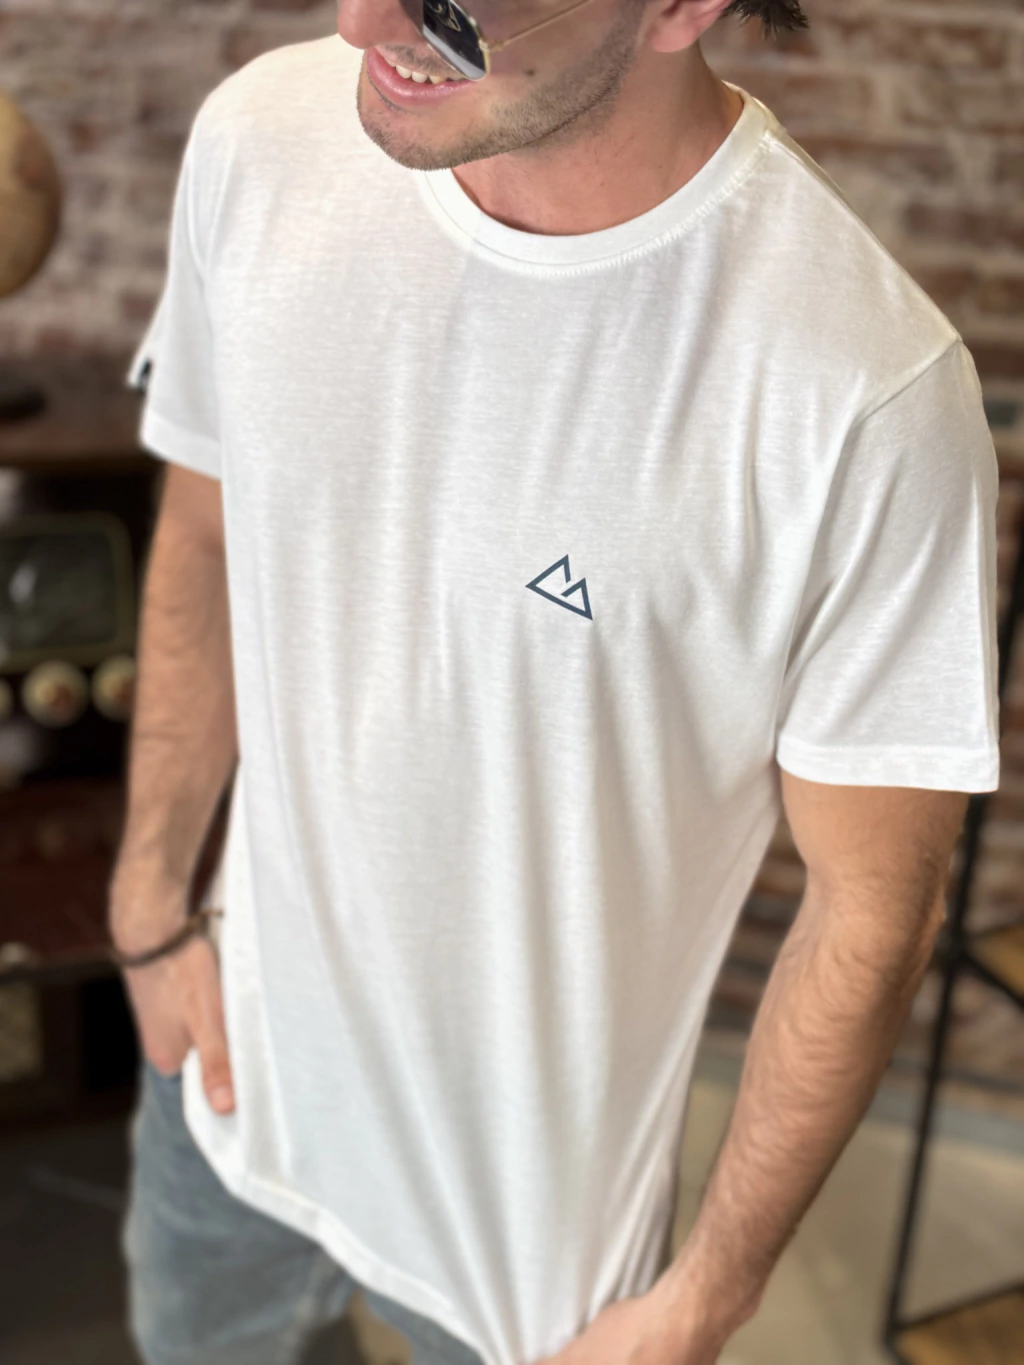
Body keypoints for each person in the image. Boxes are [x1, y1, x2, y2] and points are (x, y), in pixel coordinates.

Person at [109, 0, 1001, 1360]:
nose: (360, 24)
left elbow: (869, 916)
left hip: (530, 1264)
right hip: (227, 1088)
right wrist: (147, 898)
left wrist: (707, 1296)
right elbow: (206, 525)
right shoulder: (262, 139)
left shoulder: (861, 394)